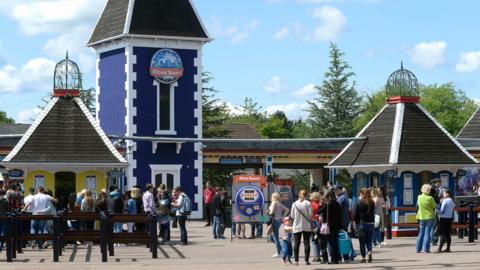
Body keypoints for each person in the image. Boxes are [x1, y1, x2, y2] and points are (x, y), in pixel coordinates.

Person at [290, 189, 313, 265]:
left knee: (297, 243)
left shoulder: (294, 204)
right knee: (306, 243)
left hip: (296, 225)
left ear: (299, 195)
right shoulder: (308, 203)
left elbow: (292, 216)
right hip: (306, 225)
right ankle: (307, 260)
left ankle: (296, 261)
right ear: (306, 195)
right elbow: (310, 214)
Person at [319, 189, 341, 264]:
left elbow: (319, 211)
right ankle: (337, 258)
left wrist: (321, 204)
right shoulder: (337, 203)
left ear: (327, 196)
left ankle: (333, 259)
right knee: (335, 242)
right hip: (337, 225)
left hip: (329, 225)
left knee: (331, 242)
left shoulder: (327, 204)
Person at [353, 188, 375, 263]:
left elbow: (355, 214)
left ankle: (363, 258)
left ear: (361, 194)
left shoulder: (359, 202)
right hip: (371, 224)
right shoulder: (372, 202)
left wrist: (355, 222)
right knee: (369, 241)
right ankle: (369, 252)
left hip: (361, 224)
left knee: (362, 242)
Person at [416, 184, 437, 253]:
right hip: (429, 216)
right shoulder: (430, 198)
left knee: (421, 233)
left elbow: (418, 206)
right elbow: (435, 206)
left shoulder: (419, 197)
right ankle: (426, 249)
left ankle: (418, 249)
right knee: (427, 233)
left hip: (421, 216)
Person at [268, 192, 289, 258]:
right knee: (271, 237)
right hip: (278, 221)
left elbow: (272, 212)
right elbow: (287, 210)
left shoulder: (274, 203)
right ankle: (282, 249)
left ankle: (278, 252)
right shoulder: (279, 203)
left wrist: (268, 212)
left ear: (273, 197)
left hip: (274, 221)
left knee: (275, 238)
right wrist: (282, 217)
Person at [334, 184, 351, 262]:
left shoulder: (341, 198)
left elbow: (337, 210)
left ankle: (344, 256)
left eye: (336, 190)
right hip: (344, 220)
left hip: (341, 222)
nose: (335, 191)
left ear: (340, 190)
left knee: (341, 239)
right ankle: (347, 256)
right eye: (335, 190)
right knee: (345, 238)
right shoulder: (344, 197)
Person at [309, 192, 321, 262]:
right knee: (318, 240)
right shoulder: (319, 204)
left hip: (313, 223)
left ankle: (316, 256)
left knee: (313, 240)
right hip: (319, 222)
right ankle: (318, 255)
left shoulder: (311, 205)